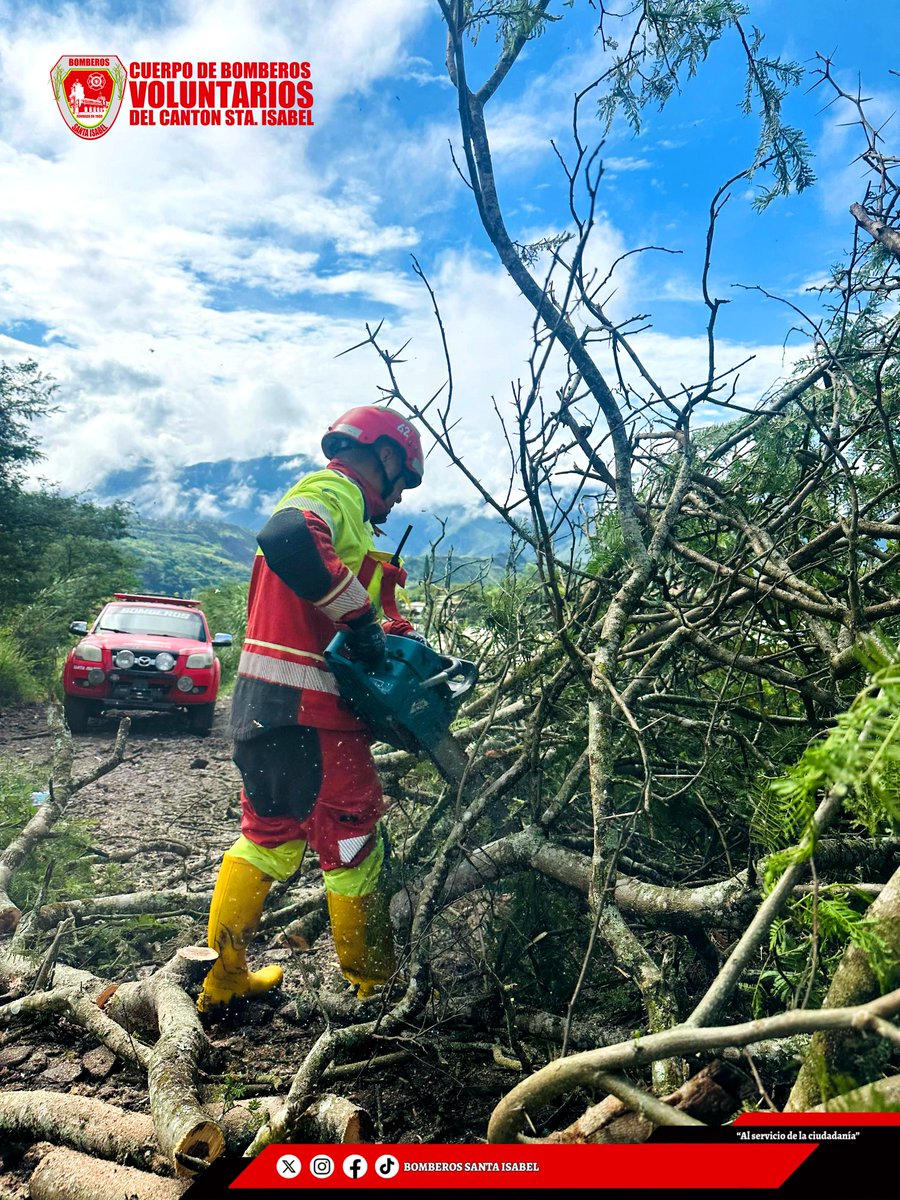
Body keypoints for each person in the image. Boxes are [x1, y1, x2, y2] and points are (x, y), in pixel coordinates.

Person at [197, 406, 425, 1013]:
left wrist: (388, 627)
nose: (399, 498)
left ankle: (224, 978)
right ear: (384, 457)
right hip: (311, 711)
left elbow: (362, 608)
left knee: (265, 840)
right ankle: (375, 988)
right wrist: (361, 616)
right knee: (352, 842)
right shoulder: (334, 490)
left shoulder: (351, 536)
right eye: (403, 480)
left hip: (259, 707)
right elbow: (287, 536)